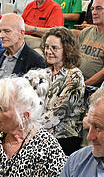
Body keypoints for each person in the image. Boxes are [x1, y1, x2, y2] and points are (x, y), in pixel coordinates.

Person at [0, 13, 45, 131]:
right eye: (0, 31)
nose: (1, 36)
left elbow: (30, 104)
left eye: (7, 31)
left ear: (21, 33)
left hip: (14, 121)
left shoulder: (35, 60)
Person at [25, 27, 86, 155]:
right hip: (39, 131)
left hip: (64, 136)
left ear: (67, 50)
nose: (48, 51)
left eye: (54, 48)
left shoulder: (74, 76)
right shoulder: (44, 73)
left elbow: (58, 113)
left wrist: (28, 128)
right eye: (47, 47)